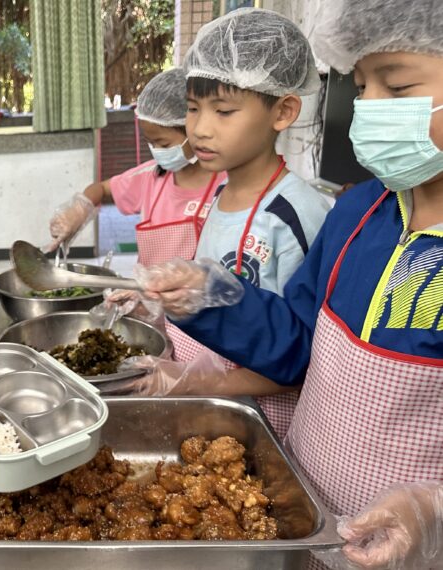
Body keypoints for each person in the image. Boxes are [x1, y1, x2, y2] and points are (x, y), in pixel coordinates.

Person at [138, 0, 443, 567]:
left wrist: (434, 512)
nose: (368, 107)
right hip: (308, 516)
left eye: (396, 88)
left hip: (409, 552)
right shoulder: (360, 213)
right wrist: (213, 297)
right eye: (362, 85)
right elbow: (299, 345)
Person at [140, 9, 332, 438]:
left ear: (282, 112)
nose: (200, 129)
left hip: (262, 419)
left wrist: (202, 381)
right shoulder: (218, 193)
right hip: (209, 404)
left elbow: (305, 356)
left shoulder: (298, 214)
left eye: (223, 111)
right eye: (192, 109)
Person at [46, 68, 227, 266]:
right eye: (151, 143)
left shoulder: (228, 183)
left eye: (164, 144)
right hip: (149, 294)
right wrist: (78, 211)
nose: (157, 151)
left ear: (195, 129)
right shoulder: (150, 177)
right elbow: (102, 188)